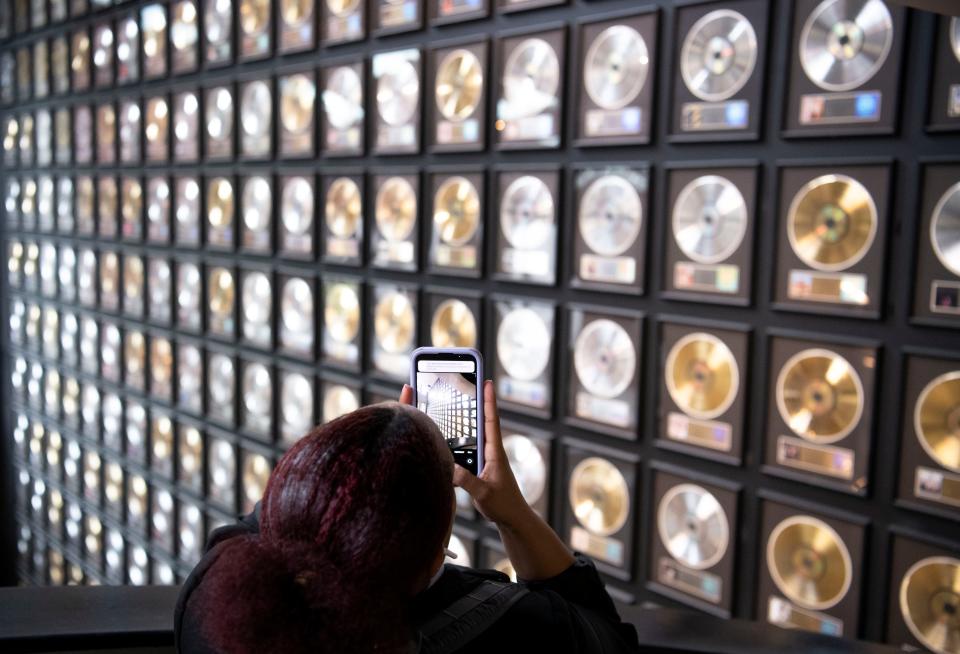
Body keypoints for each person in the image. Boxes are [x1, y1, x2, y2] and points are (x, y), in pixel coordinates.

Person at [174, 381, 640, 653]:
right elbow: (606, 640)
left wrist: (356, 459)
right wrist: (511, 512)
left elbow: (274, 519)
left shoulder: (212, 598)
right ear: (439, 550)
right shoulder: (505, 626)